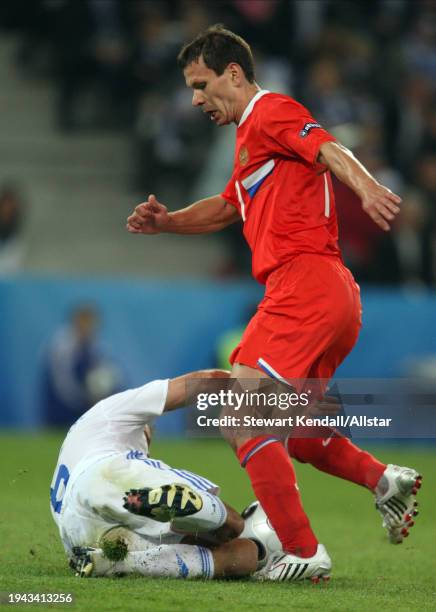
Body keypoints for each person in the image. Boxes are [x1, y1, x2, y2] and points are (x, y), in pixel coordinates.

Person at [126, 25, 421, 577]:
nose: (195, 99)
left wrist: (367, 187)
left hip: (302, 283)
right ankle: (385, 479)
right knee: (303, 435)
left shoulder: (270, 111)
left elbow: (330, 146)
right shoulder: (251, 139)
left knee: (241, 415)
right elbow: (226, 206)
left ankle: (304, 553)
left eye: (201, 83)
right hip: (332, 293)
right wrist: (168, 222)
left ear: (233, 74)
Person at [50, 368, 267, 581]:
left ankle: (116, 562)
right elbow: (202, 382)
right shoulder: (110, 410)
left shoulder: (76, 444)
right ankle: (199, 506)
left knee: (244, 555)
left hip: (77, 536)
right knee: (234, 523)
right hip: (107, 473)